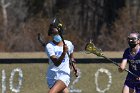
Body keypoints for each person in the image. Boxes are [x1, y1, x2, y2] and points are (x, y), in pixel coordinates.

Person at [45, 23, 77, 93]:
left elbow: (71, 57)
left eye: (57, 33)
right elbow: (56, 63)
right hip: (52, 77)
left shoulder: (68, 44)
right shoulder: (49, 46)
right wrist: (64, 52)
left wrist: (74, 65)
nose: (56, 35)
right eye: (53, 33)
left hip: (64, 75)